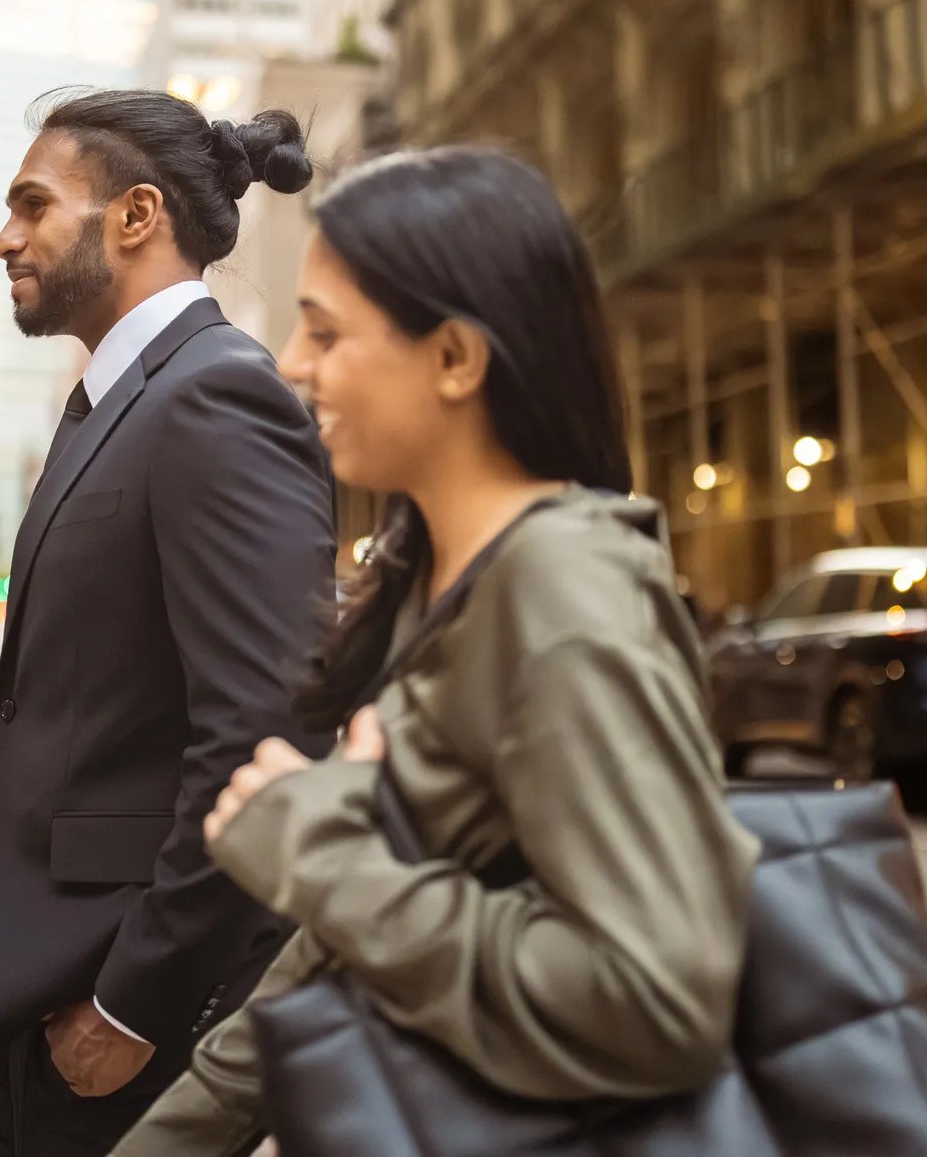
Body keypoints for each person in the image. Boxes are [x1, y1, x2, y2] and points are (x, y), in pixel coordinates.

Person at [114, 147, 760, 1155]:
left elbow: (656, 1002)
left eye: (326, 331)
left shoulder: (562, 589)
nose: (289, 360)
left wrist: (317, 853)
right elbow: (335, 956)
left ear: (455, 358)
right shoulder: (437, 575)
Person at [0, 91, 337, 1156]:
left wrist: (135, 1008)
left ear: (135, 216)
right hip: (42, 1001)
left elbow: (262, 740)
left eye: (32, 205)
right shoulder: (125, 396)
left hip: (124, 1032)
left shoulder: (216, 397)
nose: (5, 237)